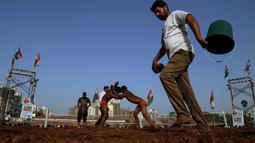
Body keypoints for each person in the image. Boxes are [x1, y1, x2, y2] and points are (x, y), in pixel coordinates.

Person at [150, 0, 210, 131]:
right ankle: (204, 127)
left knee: (165, 76)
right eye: (155, 13)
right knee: (187, 93)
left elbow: (191, 18)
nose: (157, 14)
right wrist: (155, 60)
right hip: (175, 58)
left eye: (158, 10)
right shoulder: (165, 26)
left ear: (165, 8)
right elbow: (164, 46)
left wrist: (200, 38)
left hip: (182, 52)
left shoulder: (175, 14)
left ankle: (182, 114)